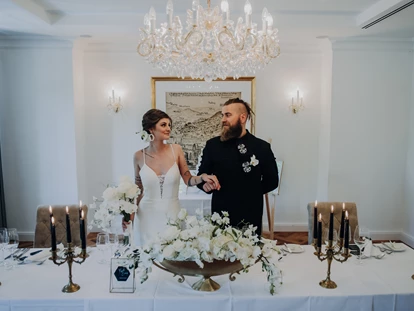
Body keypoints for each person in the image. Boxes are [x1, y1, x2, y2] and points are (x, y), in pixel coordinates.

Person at [128, 109, 220, 246]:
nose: (168, 128)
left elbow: (188, 179)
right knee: (146, 257)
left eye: (169, 125)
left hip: (172, 212)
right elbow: (138, 190)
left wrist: (203, 177)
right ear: (151, 129)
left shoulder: (176, 150)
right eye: (163, 125)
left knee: (172, 255)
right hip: (146, 214)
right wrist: (129, 214)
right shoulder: (138, 156)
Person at [197, 98, 278, 236]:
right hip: (221, 211)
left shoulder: (261, 147)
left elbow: (272, 181)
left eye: (227, 115)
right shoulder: (212, 145)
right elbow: (202, 174)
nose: (223, 119)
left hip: (250, 211)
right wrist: (205, 184)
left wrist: (249, 192)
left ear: (242, 117)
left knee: (251, 253)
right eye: (222, 115)